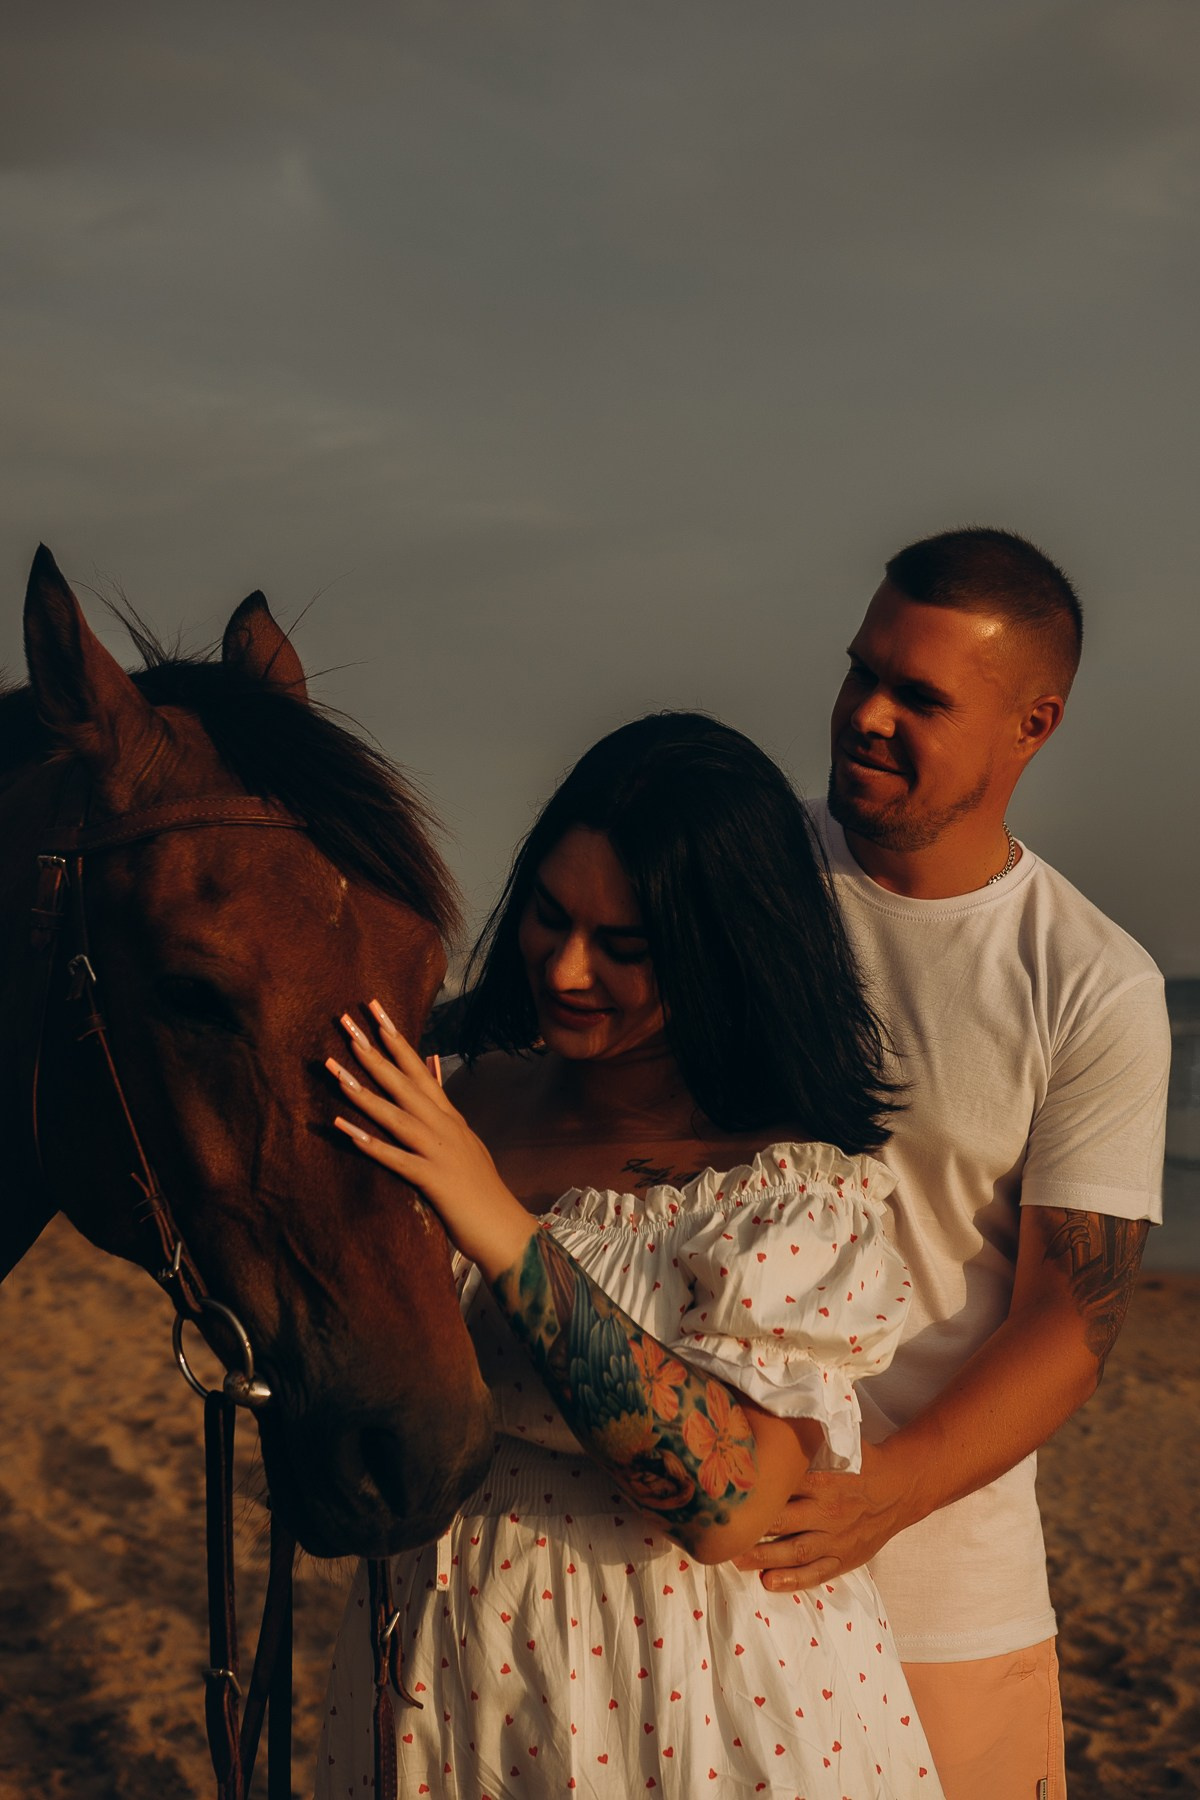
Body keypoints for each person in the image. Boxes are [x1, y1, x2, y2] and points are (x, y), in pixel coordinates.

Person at [316, 713, 945, 1798]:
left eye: (626, 946)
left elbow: (727, 1502)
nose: (565, 968)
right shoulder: (453, 1087)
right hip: (446, 1666)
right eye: (549, 917)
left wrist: (493, 1217)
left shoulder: (780, 1182)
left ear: (725, 949)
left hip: (688, 1696)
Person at [735, 528, 1171, 1800]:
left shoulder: (1090, 982)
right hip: (686, 1586)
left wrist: (884, 1496)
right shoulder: (737, 879)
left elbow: (1070, 1322)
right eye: (862, 670)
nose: (867, 715)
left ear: (1033, 724)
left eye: (919, 696)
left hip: (944, 1610)